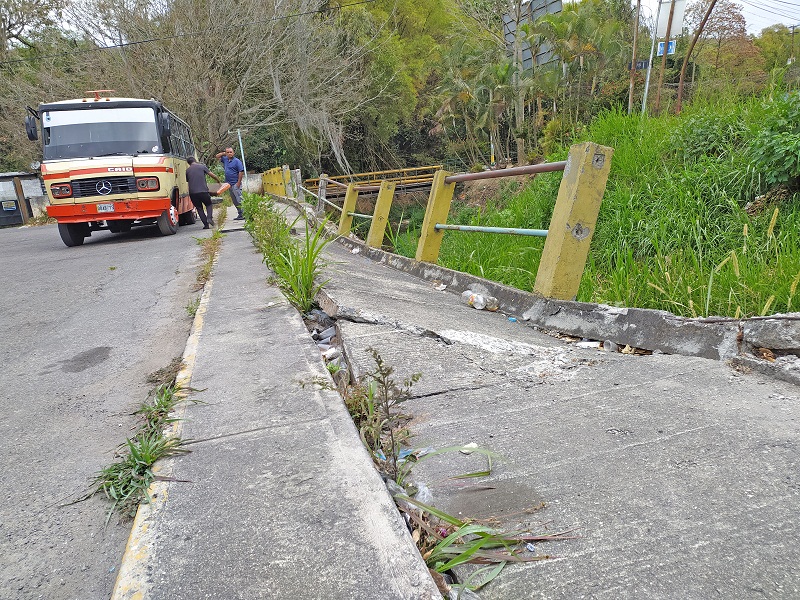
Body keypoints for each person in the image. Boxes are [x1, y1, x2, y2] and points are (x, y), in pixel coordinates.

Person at [186, 156, 221, 229]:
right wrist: (218, 181)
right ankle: (209, 218)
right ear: (195, 160)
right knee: (208, 204)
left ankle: (206, 225)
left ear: (188, 163)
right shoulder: (202, 167)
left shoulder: (188, 170)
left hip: (193, 193)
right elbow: (212, 175)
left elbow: (189, 182)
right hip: (203, 191)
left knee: (199, 208)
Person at [215, 147, 245, 220]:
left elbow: (241, 172)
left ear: (233, 153)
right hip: (229, 184)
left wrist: (238, 182)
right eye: (227, 152)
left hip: (235, 183)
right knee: (234, 200)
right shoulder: (225, 160)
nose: (229, 153)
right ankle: (240, 214)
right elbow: (217, 156)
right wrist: (223, 153)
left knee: (239, 199)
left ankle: (244, 213)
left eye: (230, 152)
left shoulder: (237, 161)